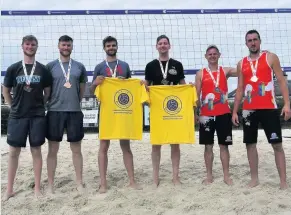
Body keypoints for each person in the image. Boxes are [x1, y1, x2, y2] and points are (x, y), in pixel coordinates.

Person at [232, 29, 291, 189]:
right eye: (249, 40)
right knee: (250, 144)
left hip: (269, 108)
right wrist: (234, 111)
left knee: (277, 144)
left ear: (260, 41)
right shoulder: (241, 63)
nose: (252, 42)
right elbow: (240, 88)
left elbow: (281, 81)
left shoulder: (270, 57)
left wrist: (287, 104)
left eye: (255, 39)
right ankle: (254, 179)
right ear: (246, 43)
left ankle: (283, 182)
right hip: (249, 110)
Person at [2, 35, 52, 199]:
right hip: (17, 116)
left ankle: (37, 188)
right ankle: (9, 189)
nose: (30, 47)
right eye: (28, 44)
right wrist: (12, 106)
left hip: (37, 115)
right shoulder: (13, 68)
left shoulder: (43, 69)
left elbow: (47, 92)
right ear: (22, 46)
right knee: (13, 152)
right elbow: (5, 90)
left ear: (37, 47)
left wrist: (40, 104)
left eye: (33, 44)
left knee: (36, 150)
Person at [91, 36, 140, 193]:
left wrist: (124, 81)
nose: (111, 47)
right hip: (106, 112)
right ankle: (103, 183)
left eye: (113, 45)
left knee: (125, 146)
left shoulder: (124, 65)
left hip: (122, 112)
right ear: (104, 48)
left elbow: (131, 89)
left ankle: (132, 181)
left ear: (117, 47)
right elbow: (93, 92)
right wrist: (95, 83)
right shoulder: (99, 67)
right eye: (108, 45)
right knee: (103, 146)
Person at [46, 35, 88, 193]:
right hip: (54, 111)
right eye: (63, 45)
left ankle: (79, 182)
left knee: (76, 149)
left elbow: (82, 89)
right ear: (58, 46)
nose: (66, 47)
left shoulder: (79, 66)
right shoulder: (50, 66)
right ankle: (50, 184)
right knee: (52, 150)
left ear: (72, 47)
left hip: (74, 111)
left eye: (68, 45)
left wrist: (75, 102)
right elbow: (47, 90)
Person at [143, 35, 186, 187]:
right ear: (156, 47)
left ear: (169, 46)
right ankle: (155, 178)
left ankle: (175, 177)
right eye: (160, 43)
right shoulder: (150, 66)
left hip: (174, 110)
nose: (162, 46)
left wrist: (190, 90)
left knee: (175, 143)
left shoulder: (177, 65)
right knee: (156, 143)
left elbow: (183, 86)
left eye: (165, 43)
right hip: (157, 110)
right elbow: (145, 86)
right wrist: (144, 88)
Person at [195, 45, 237, 185]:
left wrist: (260, 55)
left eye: (215, 54)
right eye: (210, 54)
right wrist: (195, 113)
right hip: (206, 115)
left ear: (219, 55)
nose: (212, 56)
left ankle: (226, 175)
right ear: (206, 56)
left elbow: (243, 69)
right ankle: (209, 176)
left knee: (224, 146)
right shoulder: (200, 73)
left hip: (223, 113)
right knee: (208, 146)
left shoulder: (225, 71)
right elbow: (196, 95)